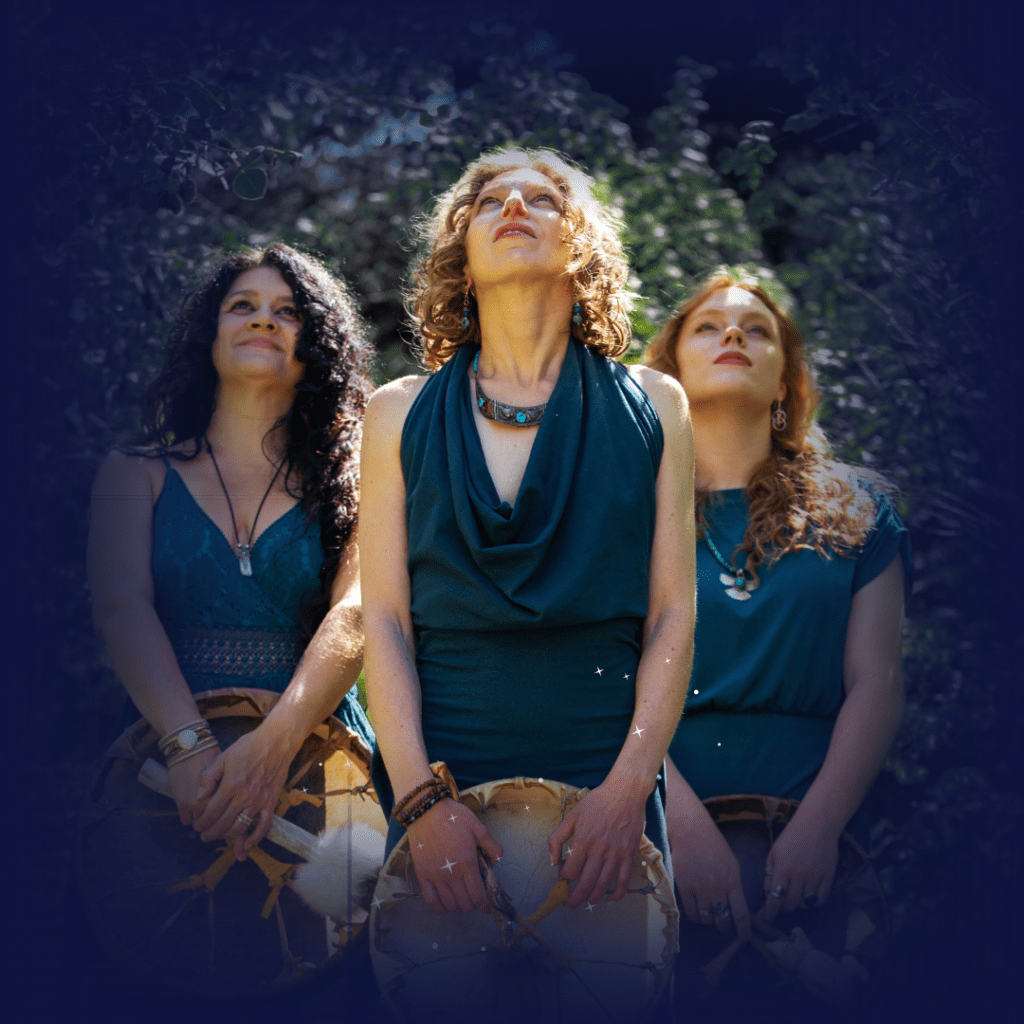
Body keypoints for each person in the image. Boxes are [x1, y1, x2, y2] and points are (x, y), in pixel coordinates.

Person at [360, 147, 696, 916]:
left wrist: (628, 790)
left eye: (543, 198)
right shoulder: (398, 413)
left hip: (608, 775)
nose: (514, 206)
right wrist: (417, 802)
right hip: (441, 773)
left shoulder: (657, 403)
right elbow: (383, 621)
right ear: (462, 261)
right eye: (489, 202)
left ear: (582, 250)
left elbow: (674, 612)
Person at [644, 270, 910, 940]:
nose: (733, 332)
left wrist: (818, 829)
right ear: (668, 371)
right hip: (651, 840)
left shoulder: (859, 511)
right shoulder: (625, 511)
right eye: (707, 326)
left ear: (787, 382)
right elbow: (601, 678)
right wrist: (681, 830)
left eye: (757, 330)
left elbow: (877, 682)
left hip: (826, 851)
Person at [88, 243, 374, 860]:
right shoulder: (130, 473)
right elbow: (120, 608)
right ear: (207, 337)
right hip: (159, 759)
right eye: (241, 305)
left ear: (317, 345)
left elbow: (355, 614)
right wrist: (188, 746)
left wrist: (274, 748)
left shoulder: (363, 476)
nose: (263, 319)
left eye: (289, 311)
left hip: (317, 759)